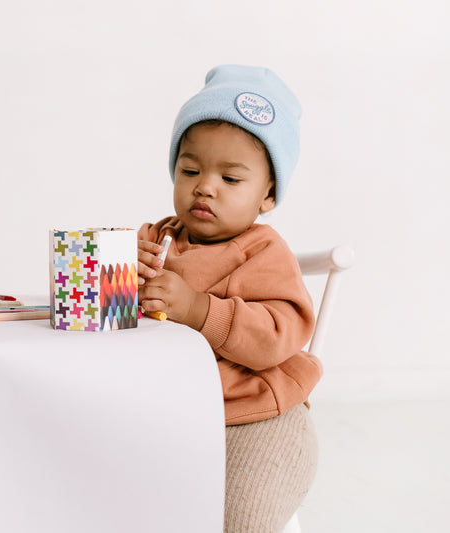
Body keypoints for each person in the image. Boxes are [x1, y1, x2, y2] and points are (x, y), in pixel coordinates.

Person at [137, 65, 322, 533]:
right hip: (172, 415)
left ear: (268, 194)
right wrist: (114, 274)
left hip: (255, 417)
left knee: (241, 520)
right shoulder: (155, 240)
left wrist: (200, 310)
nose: (205, 186)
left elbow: (277, 337)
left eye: (231, 179)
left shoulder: (263, 250)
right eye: (191, 170)